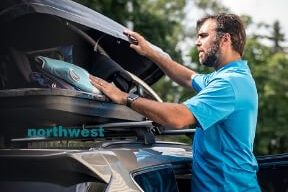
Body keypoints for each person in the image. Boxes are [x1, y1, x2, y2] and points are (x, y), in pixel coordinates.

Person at [90, 13, 260, 191]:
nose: (197, 42)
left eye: (203, 36)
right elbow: (188, 78)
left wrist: (126, 97)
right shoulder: (228, 76)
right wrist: (149, 52)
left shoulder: (229, 83)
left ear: (225, 39)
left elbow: (177, 117)